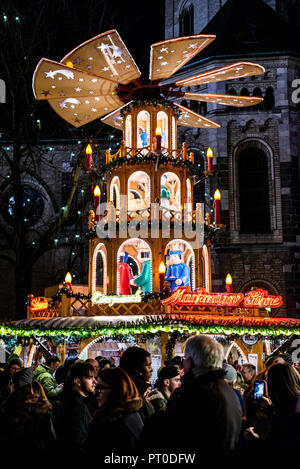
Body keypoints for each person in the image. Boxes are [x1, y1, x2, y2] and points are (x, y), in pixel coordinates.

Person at [140, 335, 242, 450]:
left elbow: (176, 431)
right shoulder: (229, 391)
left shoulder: (197, 393)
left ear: (190, 362)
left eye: (185, 359)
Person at [84, 367, 144, 451]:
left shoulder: (117, 421)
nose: (96, 393)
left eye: (100, 388)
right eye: (96, 387)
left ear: (117, 389)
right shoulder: (128, 414)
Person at [56, 361, 97, 449]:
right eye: (90, 378)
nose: (95, 381)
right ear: (77, 382)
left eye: (94, 377)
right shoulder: (75, 406)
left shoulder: (80, 401)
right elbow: (78, 441)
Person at [120, 346, 154, 423]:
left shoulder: (140, 390)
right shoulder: (131, 394)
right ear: (136, 368)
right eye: (147, 365)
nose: (151, 369)